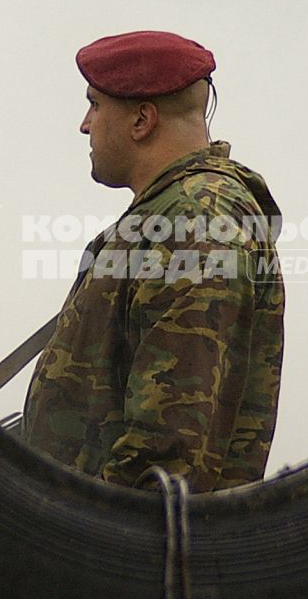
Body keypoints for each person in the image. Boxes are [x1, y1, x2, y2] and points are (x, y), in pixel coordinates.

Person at [21, 30, 285, 492]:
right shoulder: (170, 217)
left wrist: (87, 539)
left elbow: (166, 458)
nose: (85, 124)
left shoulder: (195, 222)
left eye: (95, 105)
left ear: (142, 120)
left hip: (121, 551)